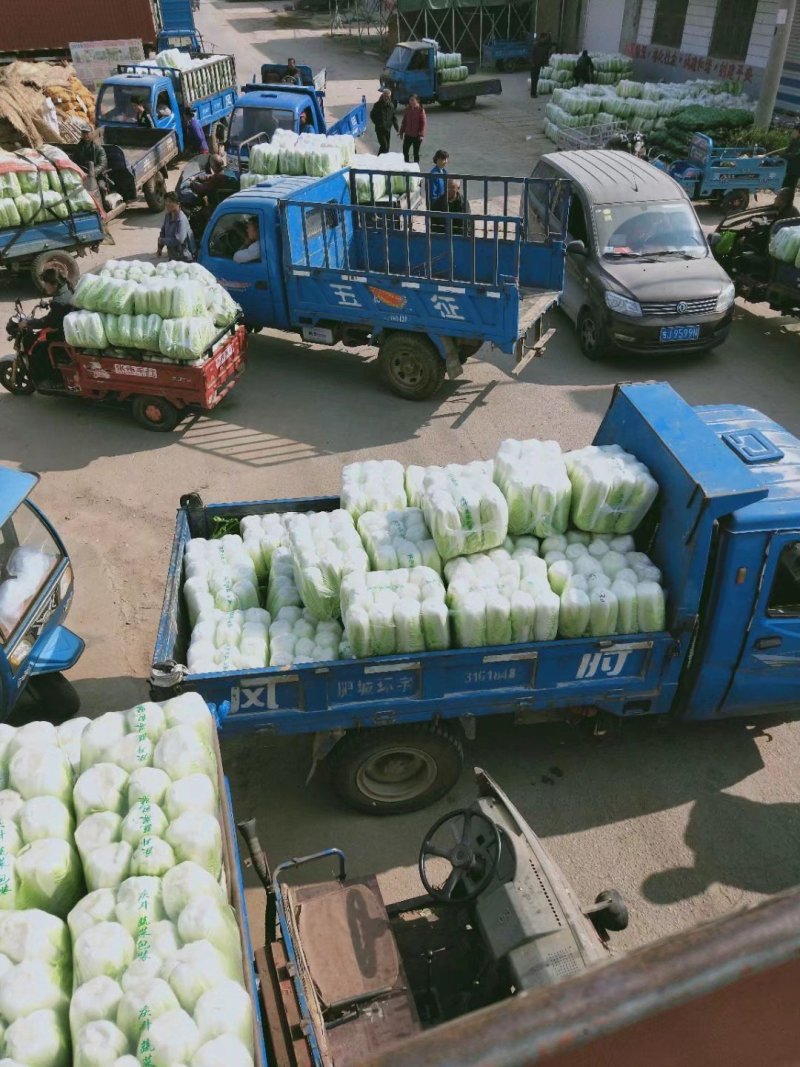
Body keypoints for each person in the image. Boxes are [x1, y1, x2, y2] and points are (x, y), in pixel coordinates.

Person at [19, 268, 74, 382]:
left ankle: (52, 378)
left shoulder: (58, 302)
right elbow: (59, 310)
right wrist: (49, 303)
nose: (44, 286)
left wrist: (28, 323)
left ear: (54, 284)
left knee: (36, 346)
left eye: (46, 283)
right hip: (68, 329)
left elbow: (48, 322)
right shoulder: (68, 290)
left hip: (62, 335)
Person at [157, 192, 194, 260]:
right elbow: (163, 232)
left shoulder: (181, 219)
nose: (167, 204)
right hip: (173, 257)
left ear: (178, 204)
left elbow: (179, 240)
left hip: (183, 258)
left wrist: (162, 241)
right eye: (166, 201)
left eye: (170, 202)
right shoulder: (168, 216)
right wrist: (160, 248)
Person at [370, 89, 399, 155]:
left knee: (387, 147)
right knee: (384, 146)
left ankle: (382, 161)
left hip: (387, 129)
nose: (386, 97)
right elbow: (372, 115)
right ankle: (378, 160)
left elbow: (393, 118)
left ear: (389, 97)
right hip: (379, 129)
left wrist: (397, 128)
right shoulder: (377, 105)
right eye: (384, 95)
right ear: (382, 96)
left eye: (387, 96)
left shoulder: (391, 106)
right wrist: (377, 123)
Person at [399, 95, 426, 164]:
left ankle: (416, 167)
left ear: (417, 101)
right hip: (408, 134)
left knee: (415, 152)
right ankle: (406, 164)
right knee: (405, 150)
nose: (411, 102)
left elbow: (423, 124)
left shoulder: (420, 110)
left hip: (417, 135)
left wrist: (421, 135)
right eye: (410, 100)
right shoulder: (407, 109)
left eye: (413, 100)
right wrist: (401, 131)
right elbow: (404, 121)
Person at [528, 31, 552, 99]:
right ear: (541, 38)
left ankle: (534, 93)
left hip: (538, 65)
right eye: (544, 38)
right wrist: (532, 63)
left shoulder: (543, 46)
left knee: (536, 79)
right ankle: (533, 93)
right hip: (534, 65)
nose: (544, 40)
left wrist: (549, 36)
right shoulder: (536, 45)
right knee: (534, 79)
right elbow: (532, 55)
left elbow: (549, 45)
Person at [779, 127, 800, 194]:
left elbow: (794, 154)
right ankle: (785, 202)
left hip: (795, 169)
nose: (792, 132)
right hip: (789, 168)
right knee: (785, 185)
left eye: (794, 131)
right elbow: (787, 151)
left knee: (790, 186)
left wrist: (782, 156)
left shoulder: (798, 143)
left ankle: (787, 202)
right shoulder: (794, 141)